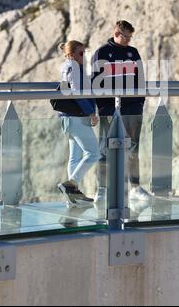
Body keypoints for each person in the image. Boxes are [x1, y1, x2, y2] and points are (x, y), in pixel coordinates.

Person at [92, 20, 152, 202]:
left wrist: (139, 102)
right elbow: (95, 82)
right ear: (117, 34)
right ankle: (101, 189)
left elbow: (140, 79)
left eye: (130, 37)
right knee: (104, 148)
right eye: (126, 37)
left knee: (133, 147)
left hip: (132, 107)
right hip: (109, 109)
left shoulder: (132, 52)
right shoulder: (101, 53)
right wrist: (103, 107)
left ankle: (134, 187)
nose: (128, 40)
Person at [57, 40, 100, 205]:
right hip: (77, 117)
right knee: (93, 153)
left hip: (67, 118)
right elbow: (76, 91)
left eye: (84, 53)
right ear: (71, 54)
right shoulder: (73, 66)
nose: (83, 56)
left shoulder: (66, 66)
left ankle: (72, 197)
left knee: (74, 157)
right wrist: (91, 112)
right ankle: (71, 184)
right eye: (80, 53)